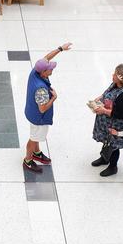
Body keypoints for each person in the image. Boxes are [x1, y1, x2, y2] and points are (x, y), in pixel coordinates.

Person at [23, 42, 73, 173]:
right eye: (50, 68)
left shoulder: (35, 71)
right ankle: (28, 160)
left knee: (36, 136)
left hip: (31, 111)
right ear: (44, 72)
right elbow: (42, 109)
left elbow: (47, 57)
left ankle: (37, 152)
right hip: (38, 118)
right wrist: (54, 98)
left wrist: (60, 49)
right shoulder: (41, 90)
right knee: (34, 138)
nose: (52, 69)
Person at [91, 64, 123, 177]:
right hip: (105, 122)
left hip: (115, 125)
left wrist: (104, 111)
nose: (113, 75)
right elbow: (106, 93)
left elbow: (121, 114)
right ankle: (104, 158)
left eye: (115, 74)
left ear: (122, 78)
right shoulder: (115, 84)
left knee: (113, 145)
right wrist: (100, 98)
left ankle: (113, 166)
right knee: (106, 141)